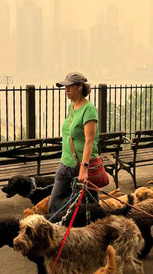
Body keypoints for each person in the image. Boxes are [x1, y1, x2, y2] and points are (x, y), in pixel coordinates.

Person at [48, 71, 99, 214]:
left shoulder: (89, 110)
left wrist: (84, 168)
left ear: (80, 87)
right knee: (54, 204)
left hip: (81, 165)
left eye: (69, 87)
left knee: (91, 205)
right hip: (65, 164)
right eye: (65, 87)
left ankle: (102, 231)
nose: (66, 90)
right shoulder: (72, 106)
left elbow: (89, 141)